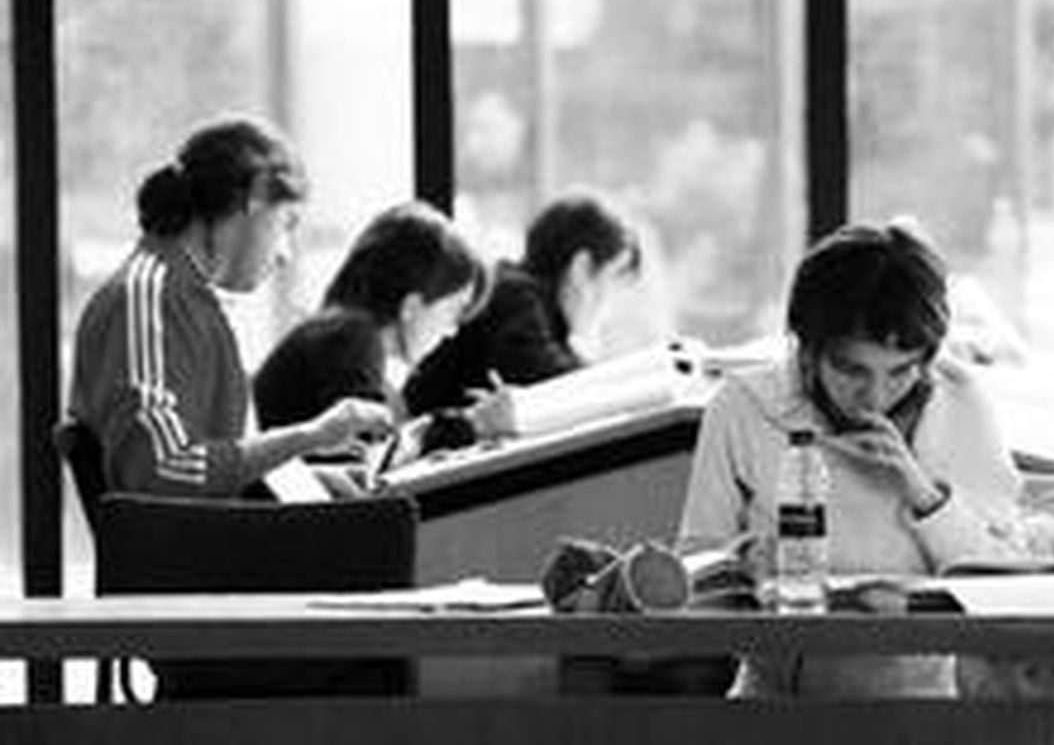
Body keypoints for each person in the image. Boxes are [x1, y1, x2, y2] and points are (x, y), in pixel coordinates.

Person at [678, 221, 1054, 698]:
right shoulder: (742, 406)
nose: (874, 396)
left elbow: (1002, 581)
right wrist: (747, 562)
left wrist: (923, 494)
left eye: (900, 371)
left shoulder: (959, 401)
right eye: (850, 369)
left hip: (926, 704)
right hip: (773, 701)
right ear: (808, 347)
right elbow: (695, 564)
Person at [68, 118, 392, 497]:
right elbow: (161, 470)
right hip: (198, 553)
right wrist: (310, 436)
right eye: (287, 224)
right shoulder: (147, 297)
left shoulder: (186, 297)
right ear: (254, 198)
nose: (285, 254)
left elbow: (216, 463)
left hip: (219, 540)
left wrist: (308, 480)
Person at [254, 201, 488, 456]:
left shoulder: (342, 333)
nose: (452, 330)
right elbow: (371, 457)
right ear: (412, 305)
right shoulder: (351, 338)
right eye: (454, 310)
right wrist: (475, 425)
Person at [403, 189, 642, 416]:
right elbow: (548, 380)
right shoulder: (513, 295)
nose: (609, 305)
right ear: (581, 267)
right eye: (612, 281)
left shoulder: (532, 307)